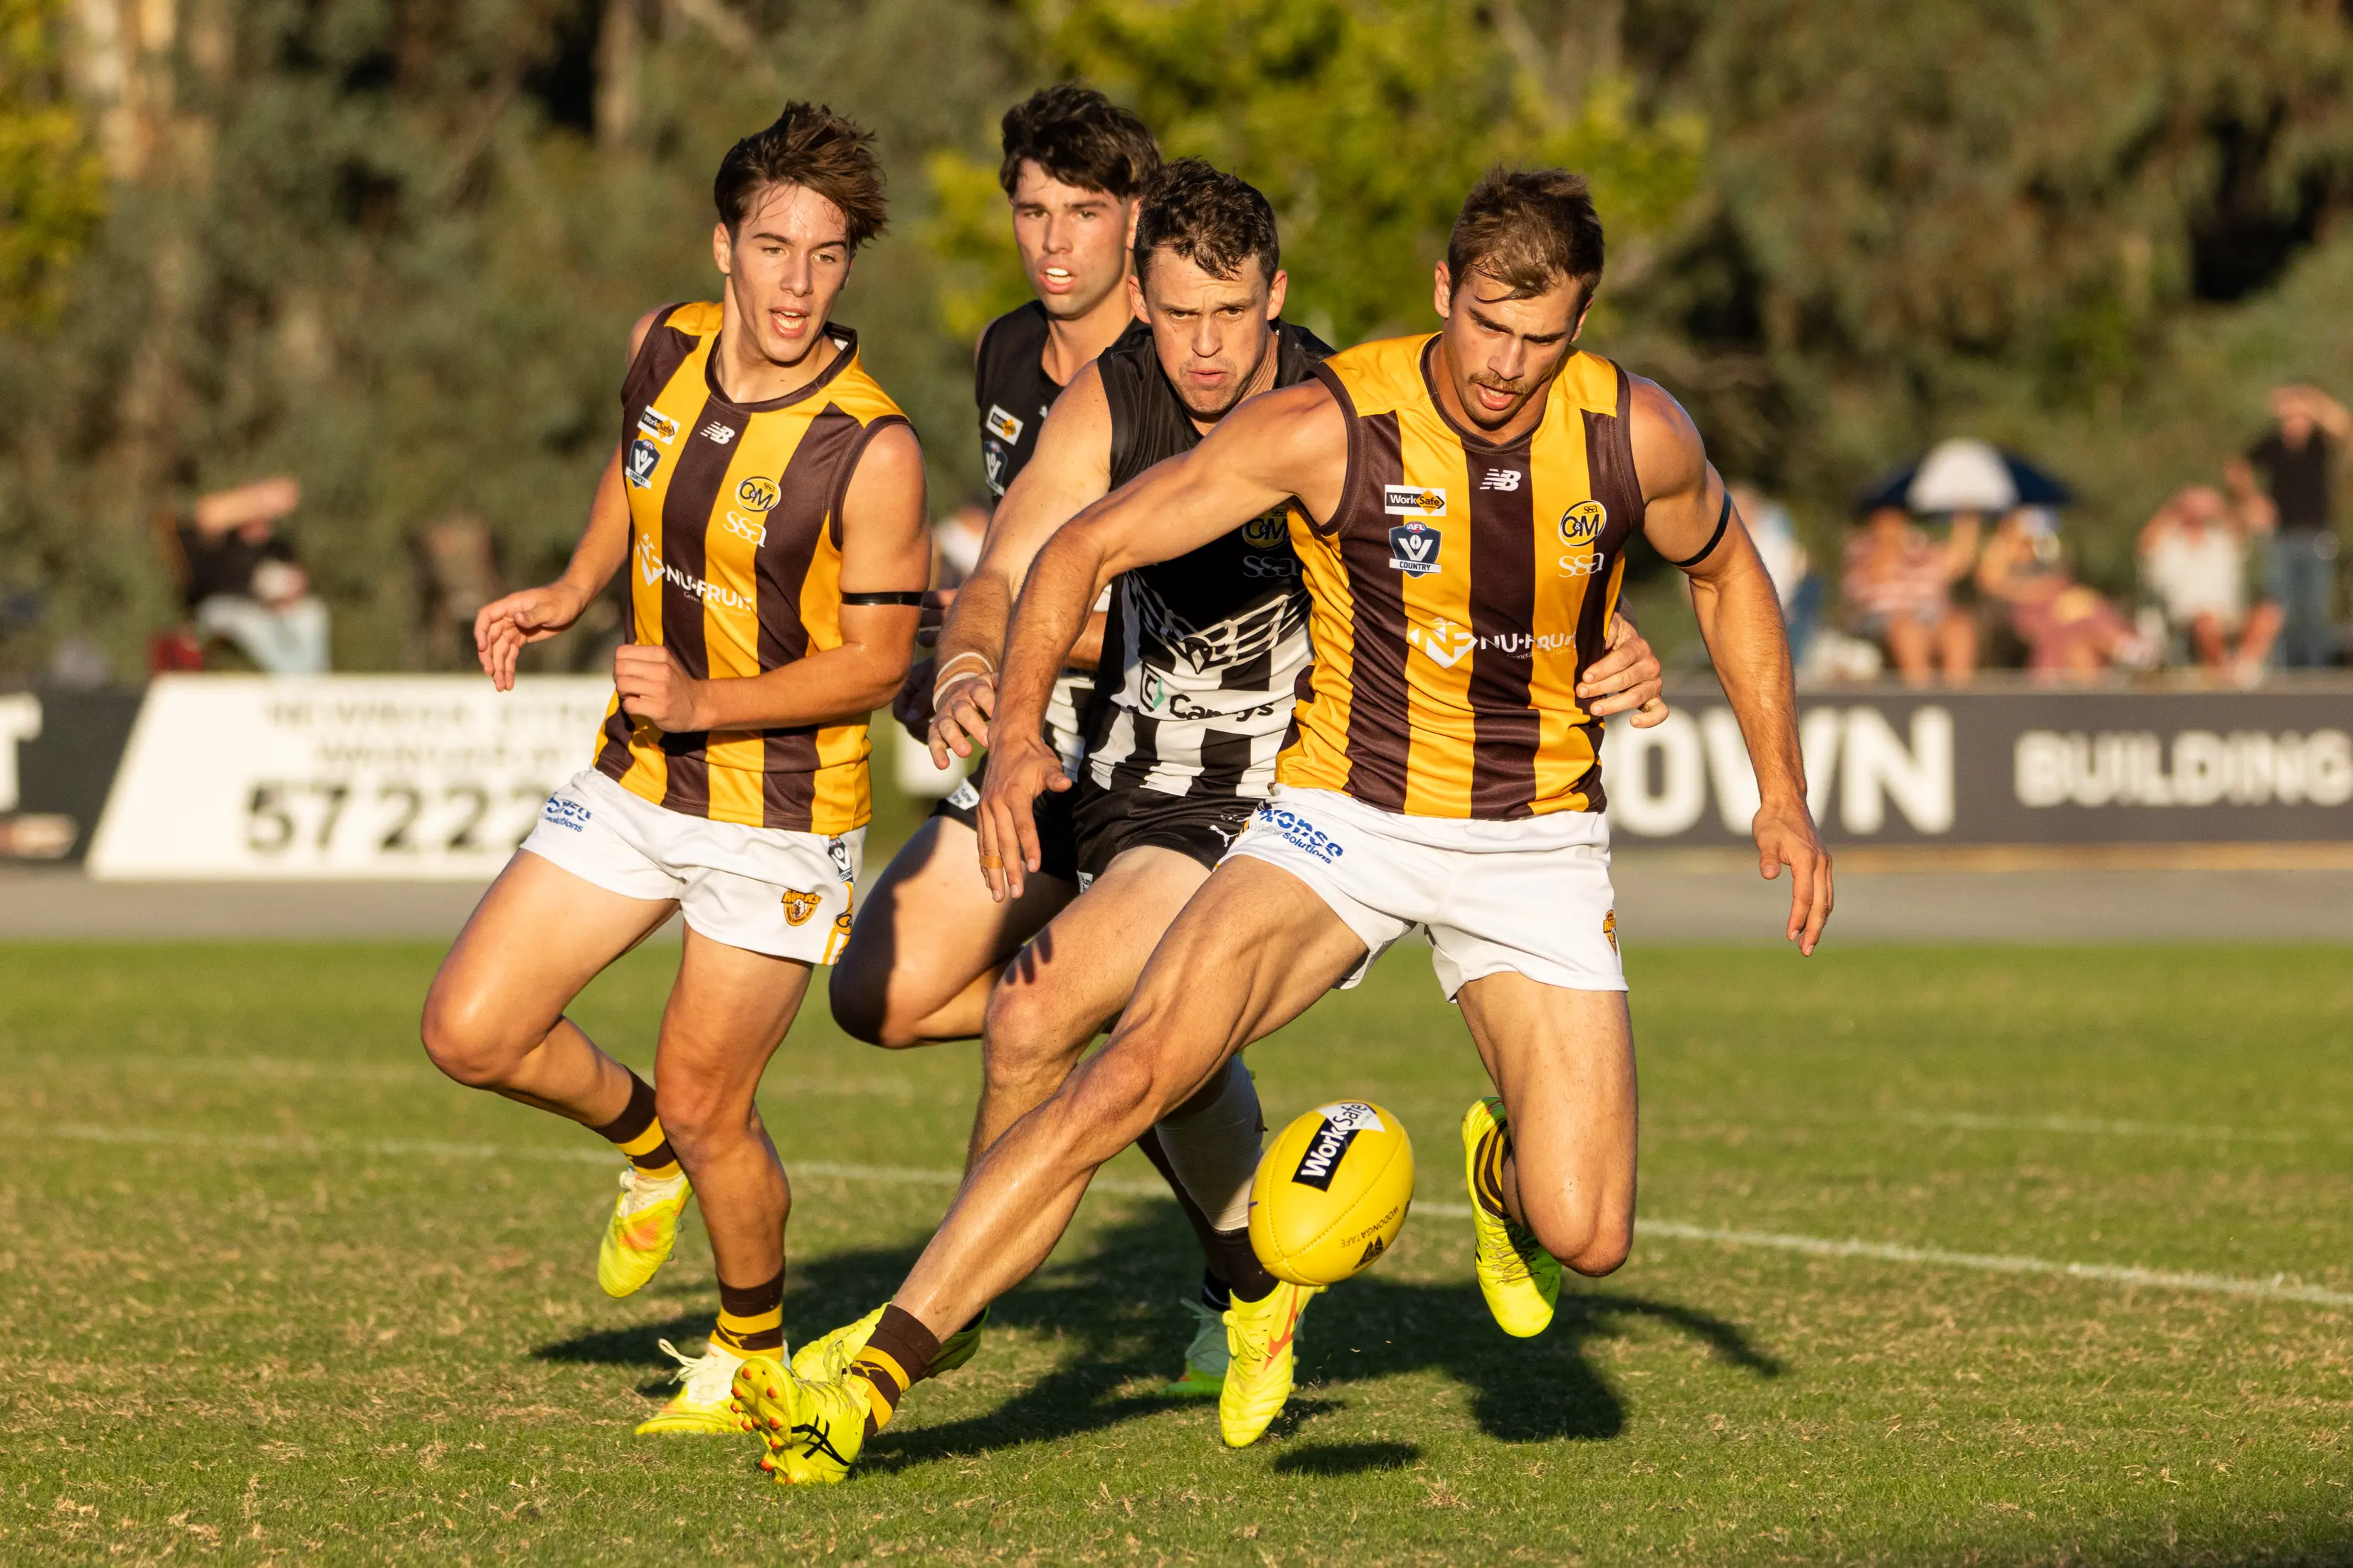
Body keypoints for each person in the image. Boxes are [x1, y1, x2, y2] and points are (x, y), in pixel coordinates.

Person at [734, 167, 1830, 1484]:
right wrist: (1019, 723)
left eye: (1543, 339)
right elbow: (1076, 549)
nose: (1506, 364)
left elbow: (1720, 563)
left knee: (1586, 1232)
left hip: (1535, 837)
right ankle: (872, 1378)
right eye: (1487, 324)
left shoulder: (1630, 430)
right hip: (1339, 819)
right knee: (1123, 1064)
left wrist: (1784, 786)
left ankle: (1497, 1183)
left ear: (1582, 327)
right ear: (1443, 291)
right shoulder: (1335, 420)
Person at [416, 104, 929, 1437]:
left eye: (825, 257)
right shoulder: (665, 343)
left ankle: (744, 1345)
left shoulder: (869, 449)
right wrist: (571, 589)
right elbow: (635, 471)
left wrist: (708, 696)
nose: (797, 284)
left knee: (718, 1109)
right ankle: (638, 1147)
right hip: (638, 774)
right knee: (470, 1028)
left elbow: (878, 664)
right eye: (773, 248)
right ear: (722, 245)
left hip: (778, 818)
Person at [830, 84, 1158, 1056]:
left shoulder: (1186, 367)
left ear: (1134, 220)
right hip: (1042, 741)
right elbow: (1010, 574)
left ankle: (1161, 1018)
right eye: (1032, 212)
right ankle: (1129, 1013)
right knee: (874, 999)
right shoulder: (1004, 350)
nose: (1053, 241)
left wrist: (1011, 639)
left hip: (1172, 759)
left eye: (1084, 213)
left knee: (1134, 1052)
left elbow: (1196, 625)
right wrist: (944, 664)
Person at [174, 475, 332, 674]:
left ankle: (314, 680)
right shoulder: (222, 543)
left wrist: (289, 596)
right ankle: (292, 681)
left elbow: (297, 582)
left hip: (270, 607)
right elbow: (205, 514)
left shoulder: (277, 547)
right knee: (253, 623)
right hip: (223, 607)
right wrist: (259, 500)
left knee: (312, 613)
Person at [2239, 384, 2347, 667]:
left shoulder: (2319, 444)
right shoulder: (2272, 444)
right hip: (2281, 536)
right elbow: (2238, 466)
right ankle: (2280, 669)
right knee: (2278, 604)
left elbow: (2343, 425)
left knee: (2316, 607)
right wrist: (2254, 501)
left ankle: (2316, 670)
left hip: (2317, 535)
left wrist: (2310, 400)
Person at [1977, 507, 2145, 679]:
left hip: (2056, 607)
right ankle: (2128, 648)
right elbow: (1993, 585)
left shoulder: (2042, 551)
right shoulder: (1998, 553)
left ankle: (2127, 649)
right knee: (2078, 621)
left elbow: (2061, 579)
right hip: (2029, 615)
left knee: (2085, 613)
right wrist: (2041, 592)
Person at [2137, 484, 2280, 679]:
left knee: (2268, 614)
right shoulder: (2169, 543)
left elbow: (2246, 526)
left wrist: (2219, 506)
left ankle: (2243, 668)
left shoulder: (2221, 541)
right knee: (2206, 622)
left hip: (2228, 614)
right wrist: (2176, 507)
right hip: (2188, 615)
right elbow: (2145, 544)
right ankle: (2222, 672)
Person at [1841, 504, 1976, 683]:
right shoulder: (1863, 547)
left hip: (1931, 616)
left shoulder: (1920, 544)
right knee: (1908, 631)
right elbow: (1878, 576)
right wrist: (1890, 543)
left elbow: (1956, 563)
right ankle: (1921, 695)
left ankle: (1958, 696)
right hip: (1883, 620)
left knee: (1959, 627)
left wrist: (1966, 521)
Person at [1730, 482, 1819, 670]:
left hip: (1777, 604)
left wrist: (1781, 605)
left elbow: (1788, 573)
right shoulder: (1729, 540)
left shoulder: (1773, 541)